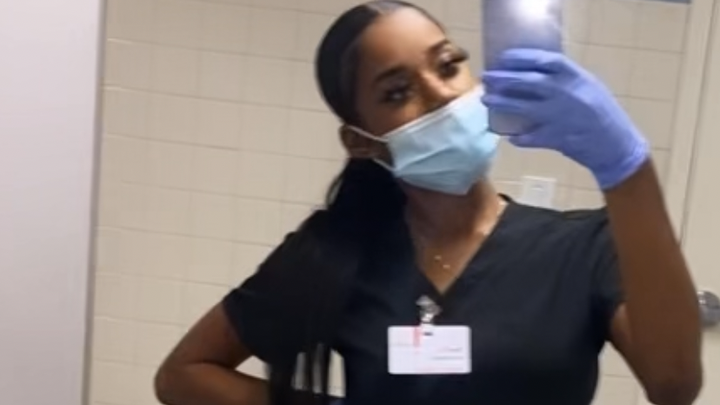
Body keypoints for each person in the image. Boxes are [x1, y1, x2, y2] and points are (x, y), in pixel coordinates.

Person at [153, 2, 702, 405]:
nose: (441, 93)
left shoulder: (582, 249)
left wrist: (627, 169)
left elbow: (674, 384)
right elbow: (185, 374)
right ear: (362, 141)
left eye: (447, 64)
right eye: (397, 92)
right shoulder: (337, 251)